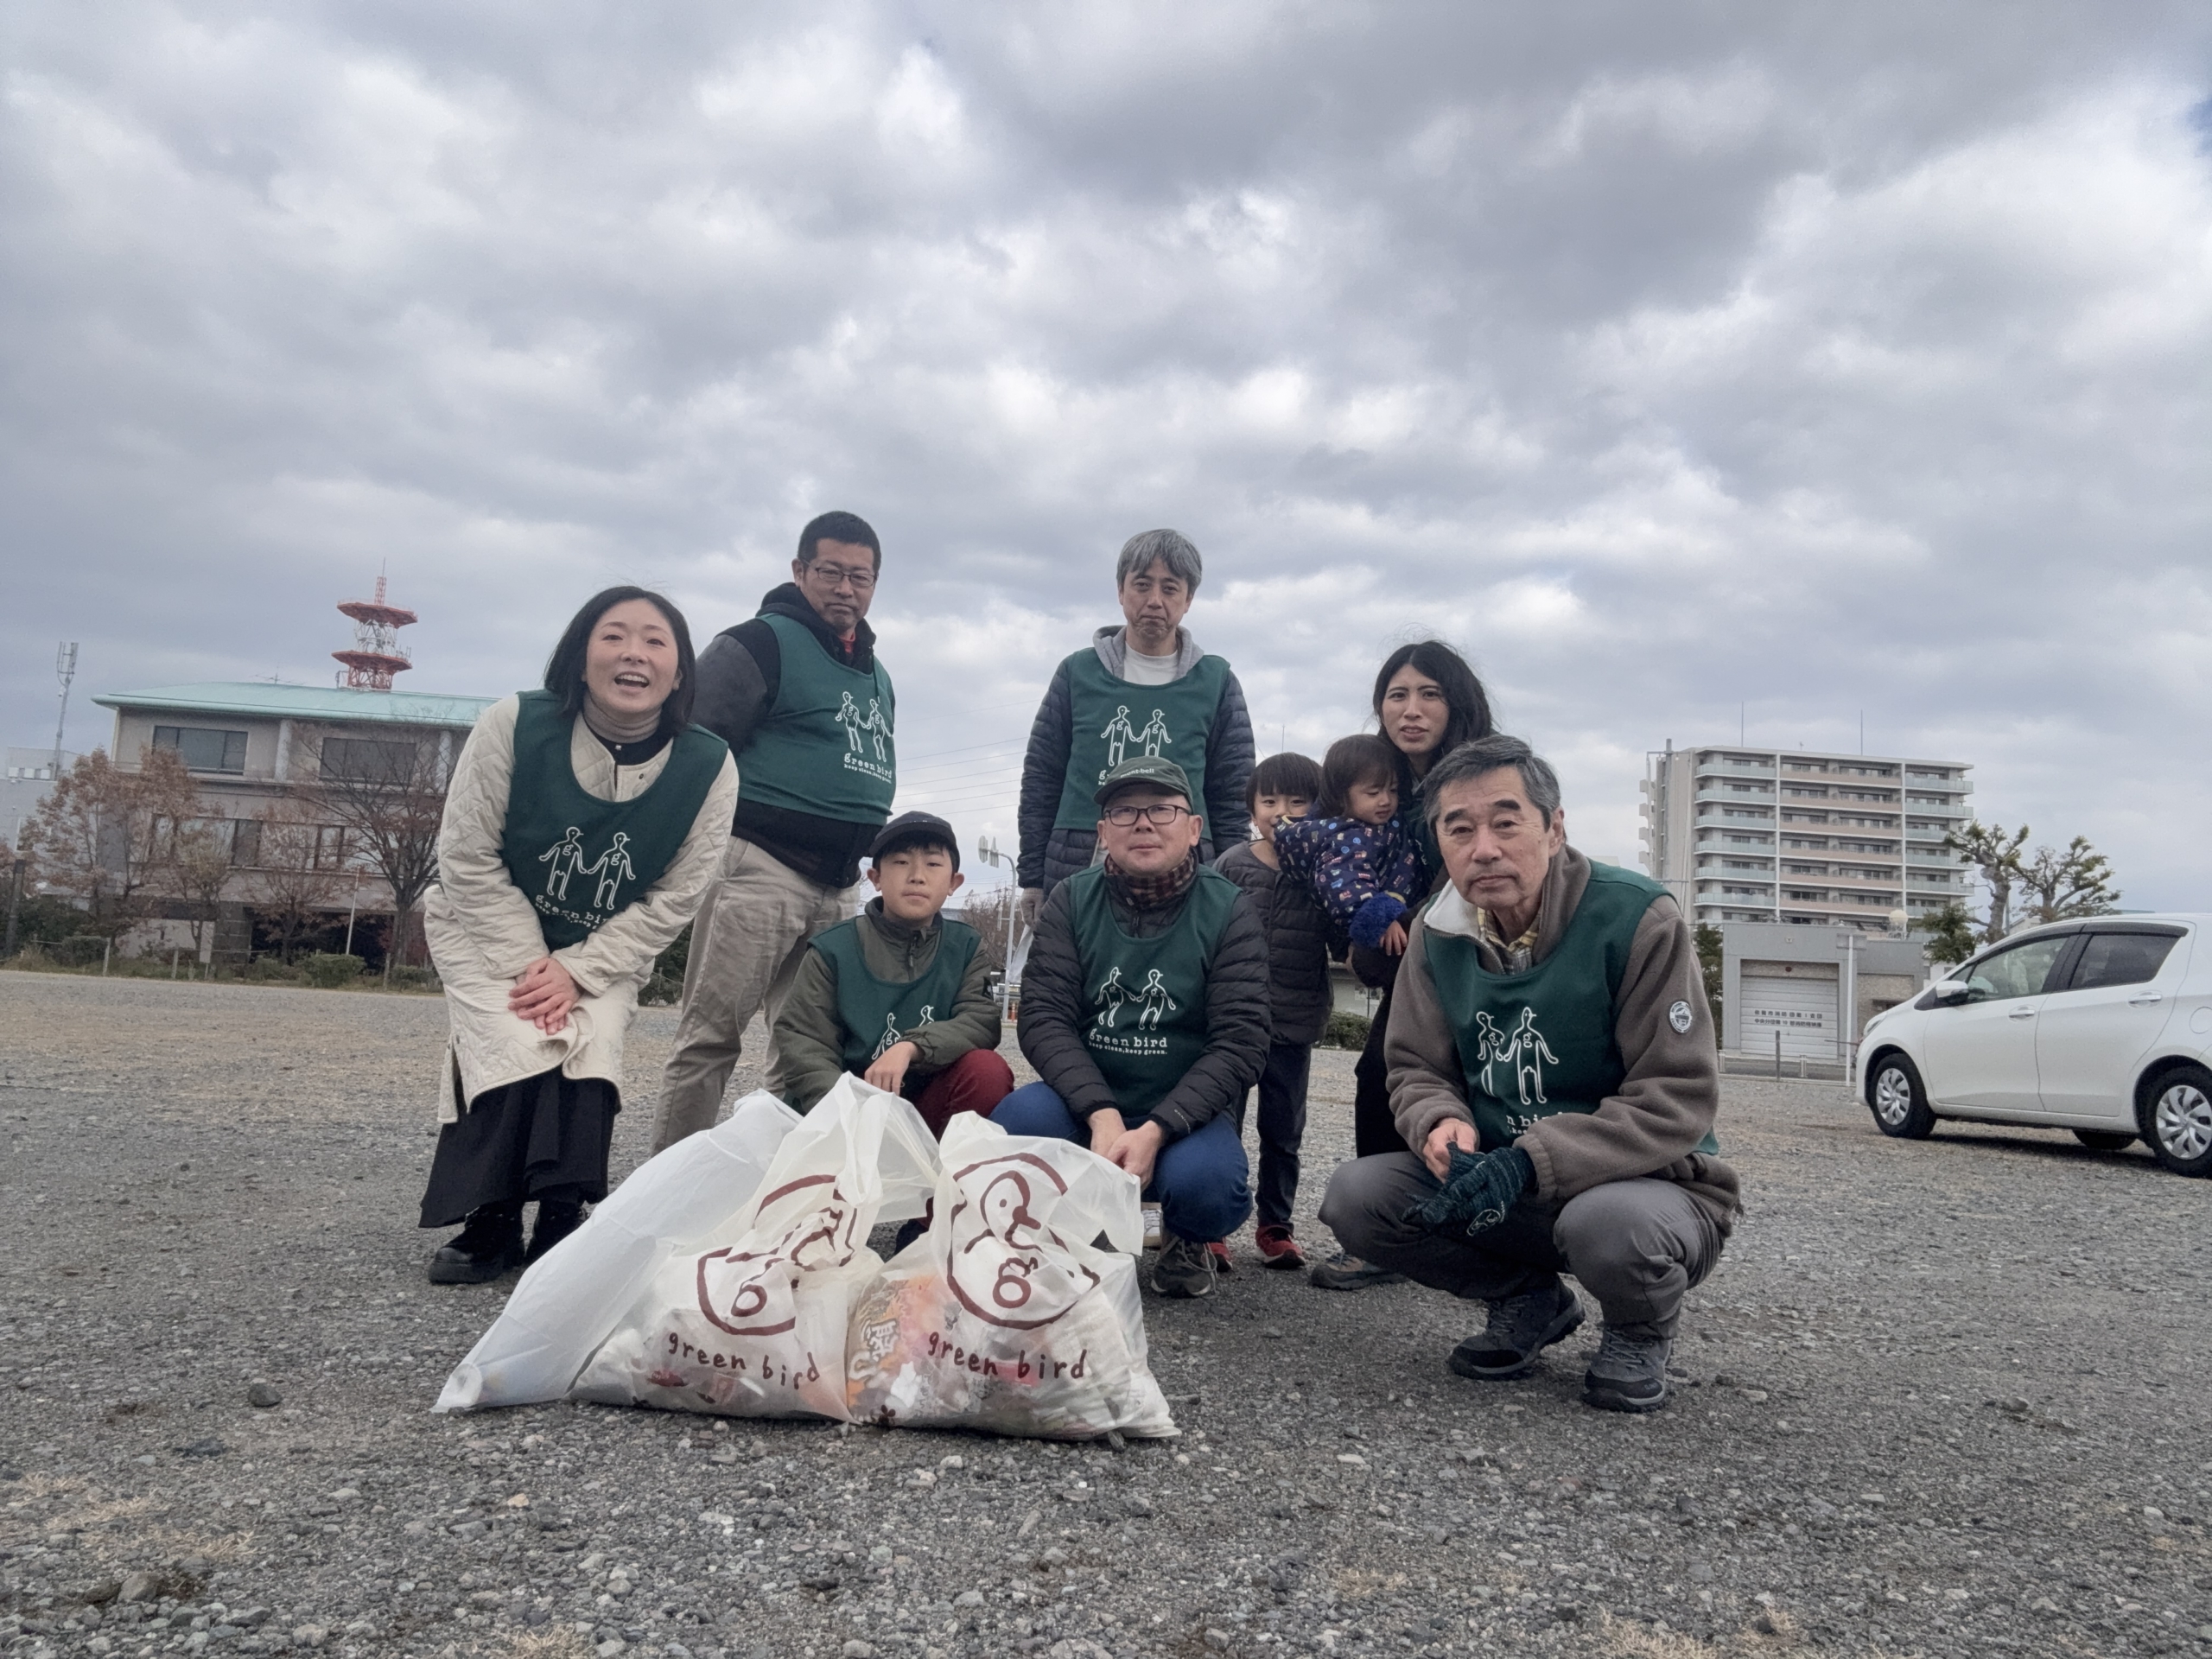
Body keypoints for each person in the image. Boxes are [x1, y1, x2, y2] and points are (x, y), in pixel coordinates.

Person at [1318, 734, 1739, 1413]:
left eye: (1506, 822)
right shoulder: (1436, 928)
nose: (1483, 847)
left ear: (1554, 828)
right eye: (1460, 829)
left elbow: (1676, 1096)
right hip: (1500, 1183)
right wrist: (1438, 1120)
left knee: (1608, 1228)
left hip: (1644, 1186)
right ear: (1440, 843)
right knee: (1358, 1198)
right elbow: (1414, 1065)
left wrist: (1529, 1159)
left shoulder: (1636, 917)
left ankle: (1639, 1328)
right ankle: (1528, 1299)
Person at [418, 587, 737, 1283]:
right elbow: (467, 855)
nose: (634, 654)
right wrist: (534, 964)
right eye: (614, 636)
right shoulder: (514, 722)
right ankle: (491, 1219)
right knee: (510, 1041)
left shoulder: (709, 764)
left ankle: (563, 1215)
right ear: (579, 653)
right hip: (484, 929)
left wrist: (582, 970)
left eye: (656, 642)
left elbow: (678, 894)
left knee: (590, 1045)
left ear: (680, 671)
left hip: (607, 946)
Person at [653, 512, 897, 1153]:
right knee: (711, 1037)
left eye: (861, 577)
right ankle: (672, 1188)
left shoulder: (877, 671)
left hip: (840, 885)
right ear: (799, 571)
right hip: (759, 866)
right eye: (831, 572)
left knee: (806, 1047)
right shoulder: (758, 643)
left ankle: (768, 1186)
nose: (846, 588)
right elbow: (694, 746)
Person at [995, 755, 1269, 1299]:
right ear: (1102, 833)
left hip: (1181, 1113)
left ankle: (1185, 1238)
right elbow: (1045, 1017)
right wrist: (1101, 1114)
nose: (1143, 823)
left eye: (1162, 809)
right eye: (1123, 812)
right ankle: (1058, 1234)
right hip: (1087, 1100)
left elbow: (1241, 1040)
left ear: (1194, 829)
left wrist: (1158, 1128)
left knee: (1208, 1188)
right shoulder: (1071, 899)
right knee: (1008, 1132)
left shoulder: (1231, 908)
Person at [1310, 639, 1495, 1292]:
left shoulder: (1478, 770)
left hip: (1480, 952)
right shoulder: (1383, 781)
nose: (1410, 710)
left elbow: (1470, 872)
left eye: (1429, 694)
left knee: (1465, 1085)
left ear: (1458, 702)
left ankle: (1459, 1229)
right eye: (1397, 695)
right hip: (1412, 957)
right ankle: (1390, 1229)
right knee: (1382, 1073)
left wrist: (1396, 926)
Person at [1014, 529, 1255, 913]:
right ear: (1121, 591)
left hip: (1185, 872)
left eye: (1170, 588)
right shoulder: (1077, 673)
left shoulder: (1217, 681)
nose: (1155, 601)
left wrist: (1225, 884)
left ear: (1189, 598)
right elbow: (1042, 778)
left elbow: (1232, 794)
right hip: (1079, 865)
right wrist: (1031, 877)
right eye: (1142, 585)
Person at [768, 810, 1014, 1131]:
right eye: (900, 862)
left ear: (954, 883)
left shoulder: (966, 946)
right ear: (876, 878)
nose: (917, 876)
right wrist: (852, 1115)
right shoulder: (833, 948)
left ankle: (949, 1173)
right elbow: (804, 1042)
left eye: (933, 864)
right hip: (847, 1111)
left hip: (926, 1105)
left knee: (987, 1070)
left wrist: (911, 1047)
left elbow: (979, 1021)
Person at [1215, 751, 1330, 1268]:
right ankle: (1213, 1225)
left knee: (1284, 1132)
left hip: (1294, 1019)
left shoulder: (1326, 865)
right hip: (1232, 1023)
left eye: (1297, 801)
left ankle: (1275, 1227)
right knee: (1223, 1124)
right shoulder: (1232, 864)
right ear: (1252, 807)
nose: (1281, 810)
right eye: (1269, 799)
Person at [1275, 734, 1427, 957]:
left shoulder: (1380, 820)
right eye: (1373, 793)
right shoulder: (1344, 838)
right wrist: (1381, 920)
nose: (1386, 800)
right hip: (1377, 932)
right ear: (1339, 796)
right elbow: (1345, 884)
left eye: (1393, 790)